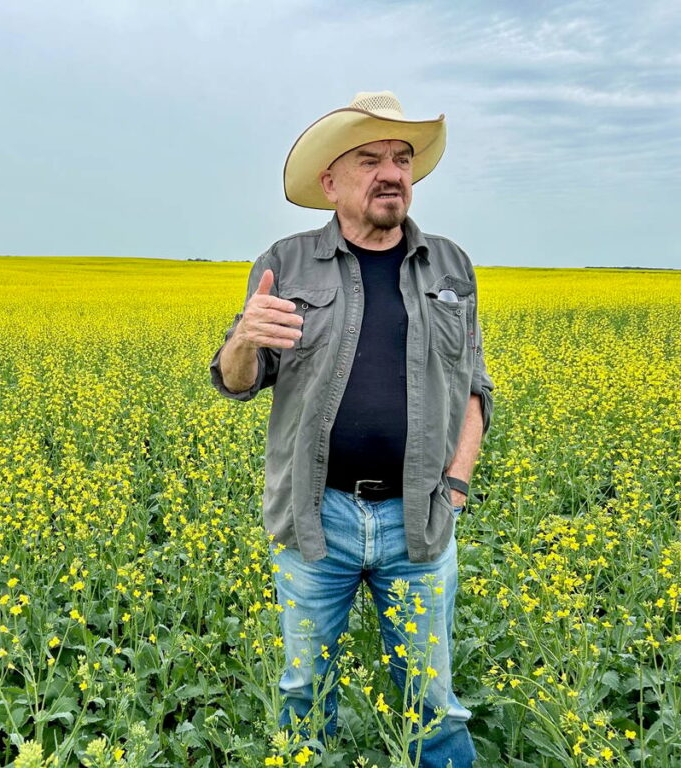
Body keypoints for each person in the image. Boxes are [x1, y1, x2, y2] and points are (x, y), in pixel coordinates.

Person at [208, 91, 495, 768]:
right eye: (370, 159)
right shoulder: (288, 260)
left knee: (433, 701)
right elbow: (236, 379)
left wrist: (455, 485)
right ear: (331, 182)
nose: (392, 172)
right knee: (305, 691)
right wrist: (246, 337)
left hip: (420, 519)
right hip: (316, 519)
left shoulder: (450, 267)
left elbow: (475, 388)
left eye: (402, 158)